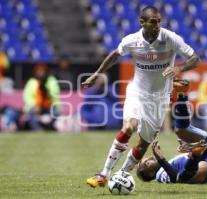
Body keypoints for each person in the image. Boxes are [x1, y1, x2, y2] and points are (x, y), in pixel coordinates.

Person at [83, 6, 200, 188]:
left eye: (159, 21)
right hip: (137, 92)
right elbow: (115, 54)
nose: (157, 25)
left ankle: (121, 174)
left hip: (160, 99)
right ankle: (104, 174)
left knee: (143, 145)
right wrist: (96, 74)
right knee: (130, 126)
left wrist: (178, 68)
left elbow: (195, 59)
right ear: (142, 23)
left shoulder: (170, 38)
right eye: (153, 22)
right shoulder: (132, 40)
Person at [136, 89, 207, 184]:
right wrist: (162, 160)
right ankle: (195, 154)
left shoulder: (170, 164)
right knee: (185, 178)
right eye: (146, 164)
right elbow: (177, 179)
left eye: (147, 158)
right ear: (150, 174)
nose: (149, 159)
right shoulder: (160, 175)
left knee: (181, 131)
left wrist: (188, 145)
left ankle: (181, 94)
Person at [23, 64, 61, 131]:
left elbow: (55, 94)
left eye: (42, 71)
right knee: (31, 113)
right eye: (39, 71)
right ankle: (38, 130)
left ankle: (50, 128)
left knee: (55, 113)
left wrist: (46, 87)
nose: (41, 73)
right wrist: (35, 105)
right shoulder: (32, 82)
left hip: (49, 106)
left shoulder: (51, 80)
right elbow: (27, 96)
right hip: (36, 106)